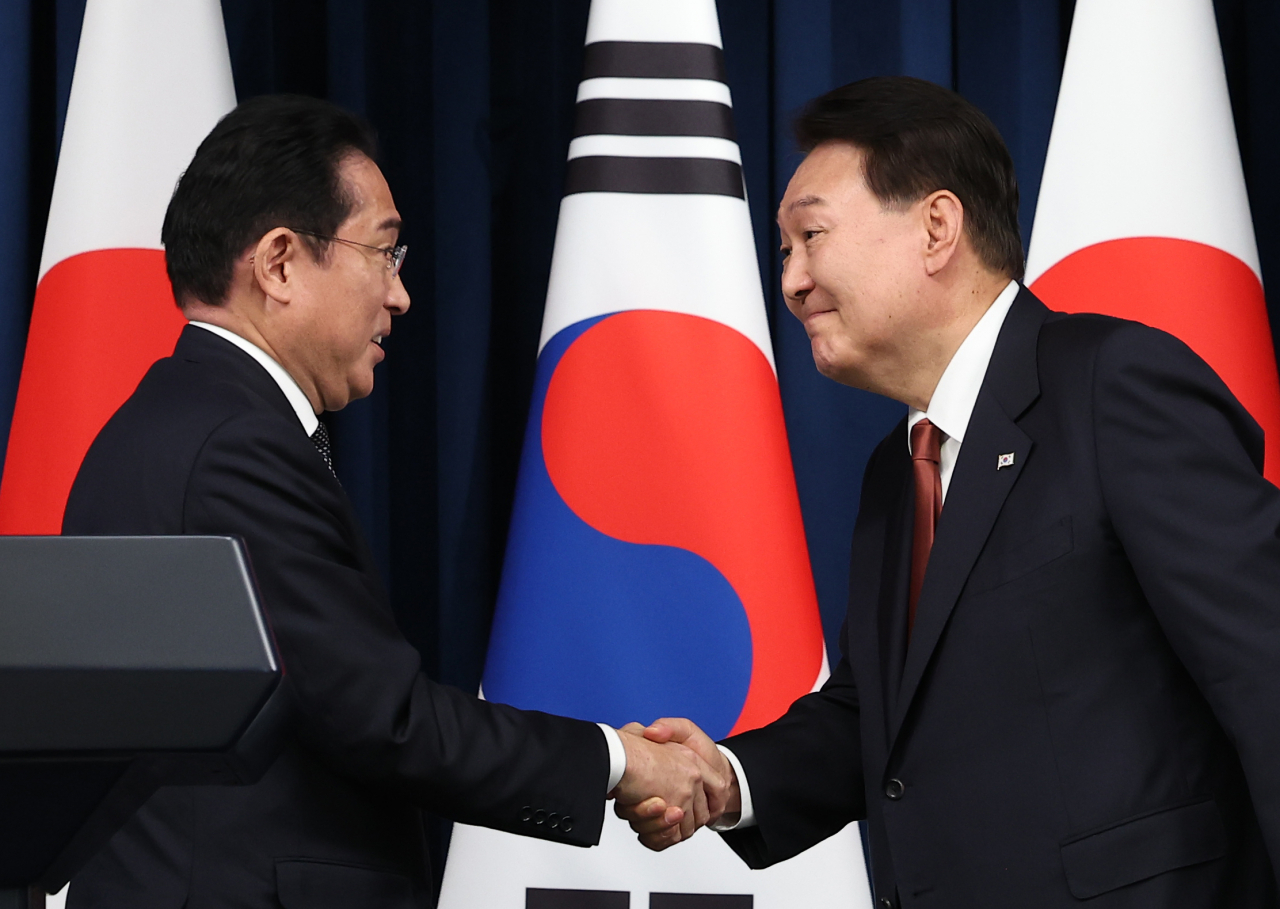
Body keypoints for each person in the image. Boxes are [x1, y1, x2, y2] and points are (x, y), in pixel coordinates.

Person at [617, 76, 1280, 908]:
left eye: (810, 236)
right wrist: (729, 775)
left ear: (937, 227)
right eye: (783, 252)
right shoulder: (897, 473)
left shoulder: (1112, 383)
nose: (791, 282)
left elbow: (1265, 664)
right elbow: (878, 715)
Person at [61, 94, 725, 909]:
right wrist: (622, 762)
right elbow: (387, 720)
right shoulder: (237, 447)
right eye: (383, 253)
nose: (401, 295)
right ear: (278, 263)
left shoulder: (156, 425)